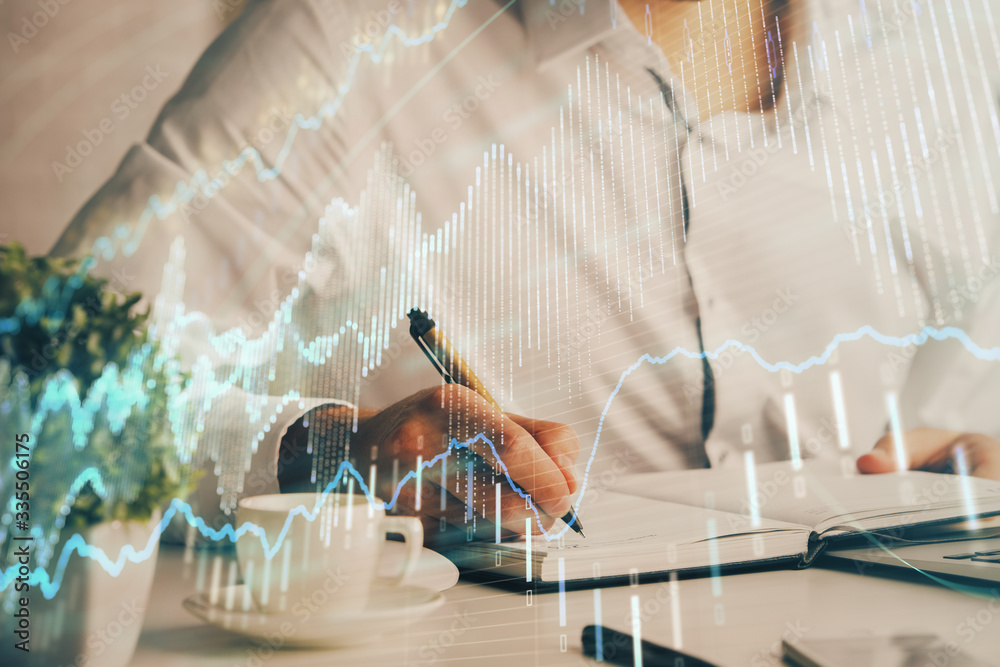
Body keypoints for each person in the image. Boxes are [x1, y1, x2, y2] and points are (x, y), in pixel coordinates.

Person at [52, 0, 1000, 546]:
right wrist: (327, 457)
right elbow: (49, 391)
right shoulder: (352, 34)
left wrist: (964, 467)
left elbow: (962, 401)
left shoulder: (950, 45)